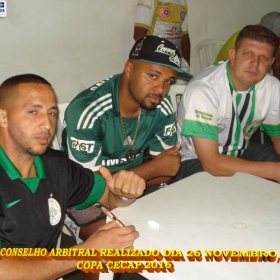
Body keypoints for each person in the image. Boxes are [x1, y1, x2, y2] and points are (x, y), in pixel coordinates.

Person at [0, 74, 146, 279]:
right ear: (3, 117)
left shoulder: (56, 165)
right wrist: (85, 253)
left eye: (52, 113)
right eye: (33, 111)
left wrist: (124, 192)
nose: (47, 124)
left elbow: (106, 196)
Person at [61, 35, 192, 246]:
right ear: (129, 68)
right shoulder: (88, 111)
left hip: (136, 186)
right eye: (153, 76)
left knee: (187, 221)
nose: (161, 89)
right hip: (82, 196)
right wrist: (152, 169)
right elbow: (89, 189)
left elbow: (168, 170)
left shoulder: (161, 106)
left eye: (168, 81)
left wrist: (147, 174)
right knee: (110, 245)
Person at [175, 25, 280, 183]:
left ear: (271, 62)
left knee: (271, 158)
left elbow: (278, 139)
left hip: (239, 152)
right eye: (248, 53)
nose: (255, 63)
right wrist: (273, 171)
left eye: (263, 58)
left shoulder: (272, 87)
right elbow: (211, 164)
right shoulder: (204, 90)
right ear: (233, 55)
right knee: (228, 186)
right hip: (194, 161)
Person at [134, 0, 191, 82]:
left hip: (176, 62)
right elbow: (139, 35)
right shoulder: (149, 1)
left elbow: (185, 40)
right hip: (154, 61)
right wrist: (158, 62)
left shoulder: (182, 2)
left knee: (181, 90)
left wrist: (186, 66)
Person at [215, 11, 280, 80]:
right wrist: (277, 64)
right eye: (248, 53)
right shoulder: (243, 40)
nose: (255, 63)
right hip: (224, 76)